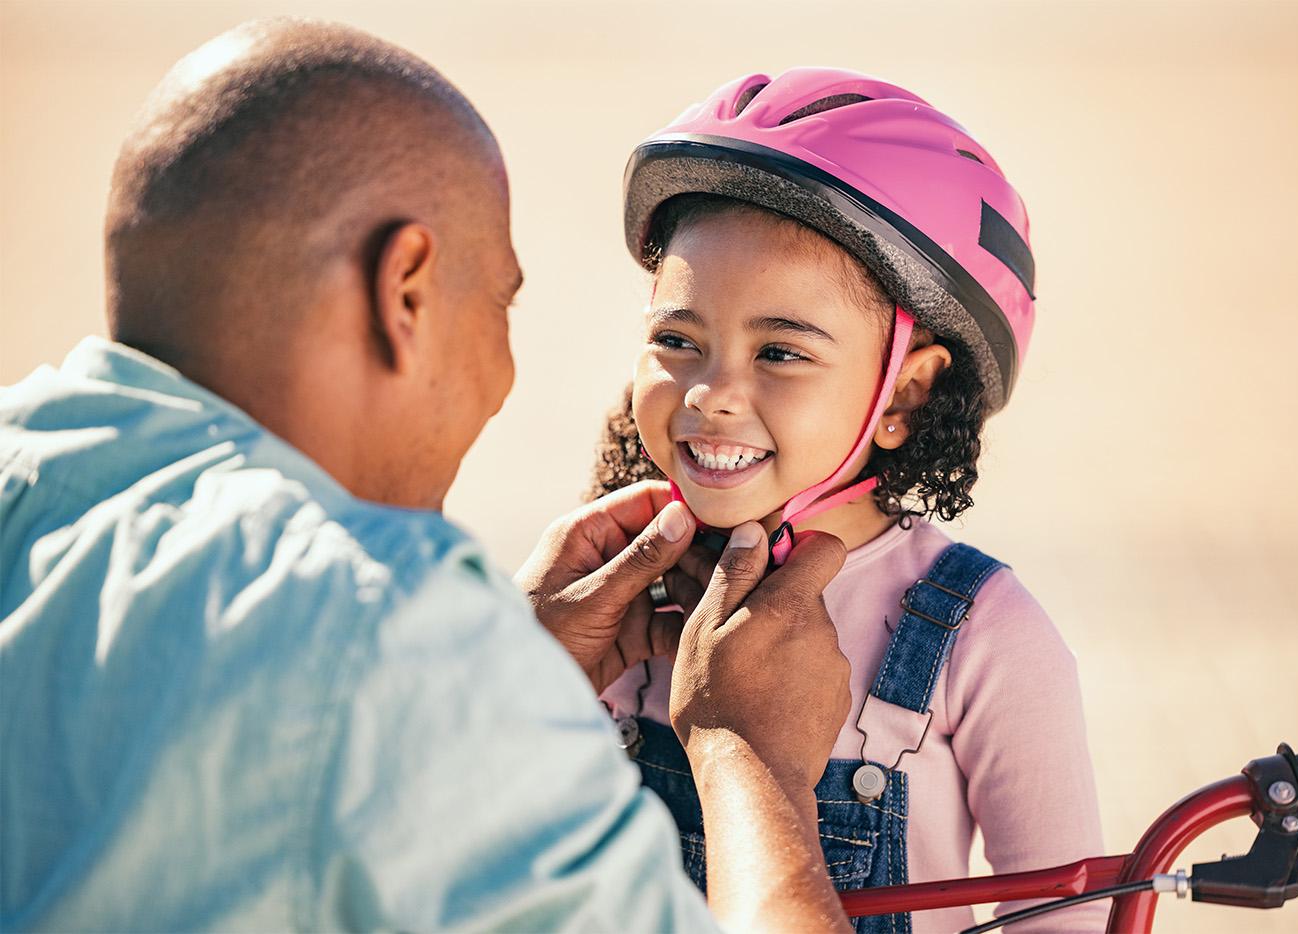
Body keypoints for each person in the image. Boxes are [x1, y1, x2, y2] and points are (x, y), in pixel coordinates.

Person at [0, 21, 857, 932]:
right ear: (403, 289)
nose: (502, 375)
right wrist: (746, 755)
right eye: (499, 303)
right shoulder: (388, 617)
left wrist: (511, 685)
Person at [591, 69, 1106, 932]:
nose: (711, 393)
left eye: (781, 353)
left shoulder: (982, 635)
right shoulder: (601, 595)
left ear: (904, 393)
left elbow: (1066, 917)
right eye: (677, 339)